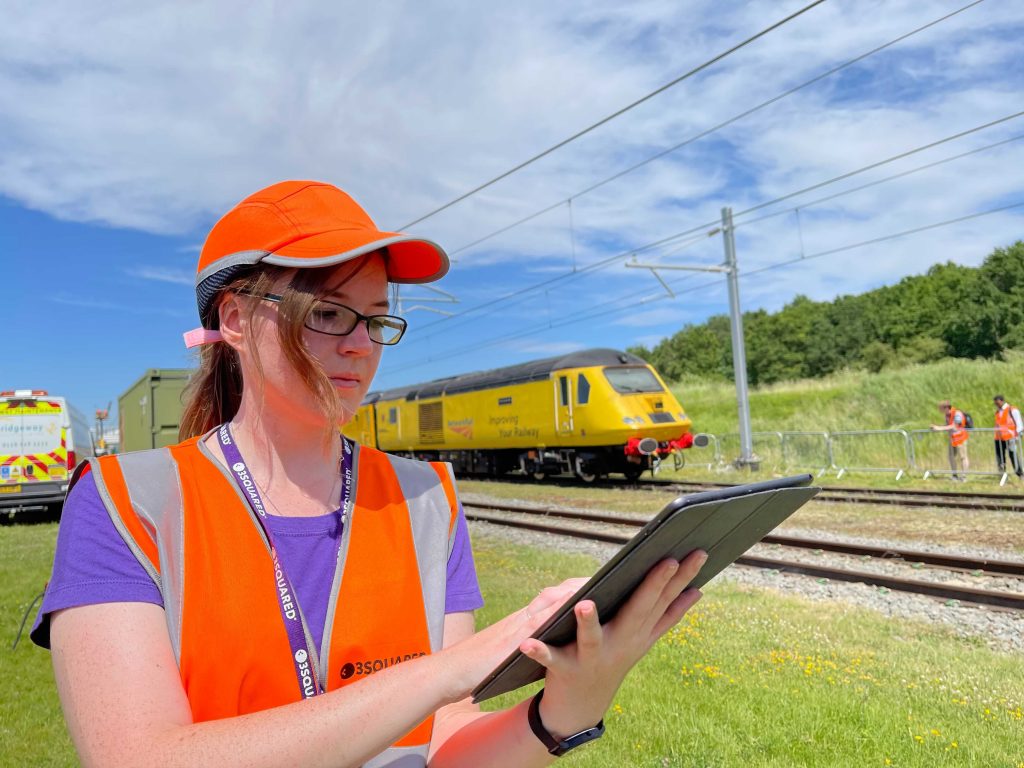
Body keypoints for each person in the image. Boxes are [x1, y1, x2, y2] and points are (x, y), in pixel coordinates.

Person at [31, 180, 707, 767]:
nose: (359, 343)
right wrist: (440, 675)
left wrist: (560, 713)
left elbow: (445, 744)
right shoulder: (126, 503)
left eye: (377, 321)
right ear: (235, 320)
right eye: (327, 313)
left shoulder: (427, 501)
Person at [931, 400, 969, 481]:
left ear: (946, 408)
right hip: (952, 439)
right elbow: (948, 426)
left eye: (941, 409)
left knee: (963, 457)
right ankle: (954, 475)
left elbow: (955, 426)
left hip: (960, 439)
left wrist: (939, 428)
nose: (940, 411)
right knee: (951, 456)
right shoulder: (947, 415)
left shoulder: (957, 413)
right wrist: (936, 427)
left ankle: (964, 476)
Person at [993, 394, 1024, 479]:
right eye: (995, 403)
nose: (997, 405)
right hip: (999, 439)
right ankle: (1002, 475)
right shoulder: (997, 412)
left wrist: (1016, 436)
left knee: (1013, 455)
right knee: (1000, 458)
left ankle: (1020, 474)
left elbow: (1019, 424)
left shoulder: (1012, 410)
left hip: (1010, 438)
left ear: (1002, 401)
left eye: (998, 403)